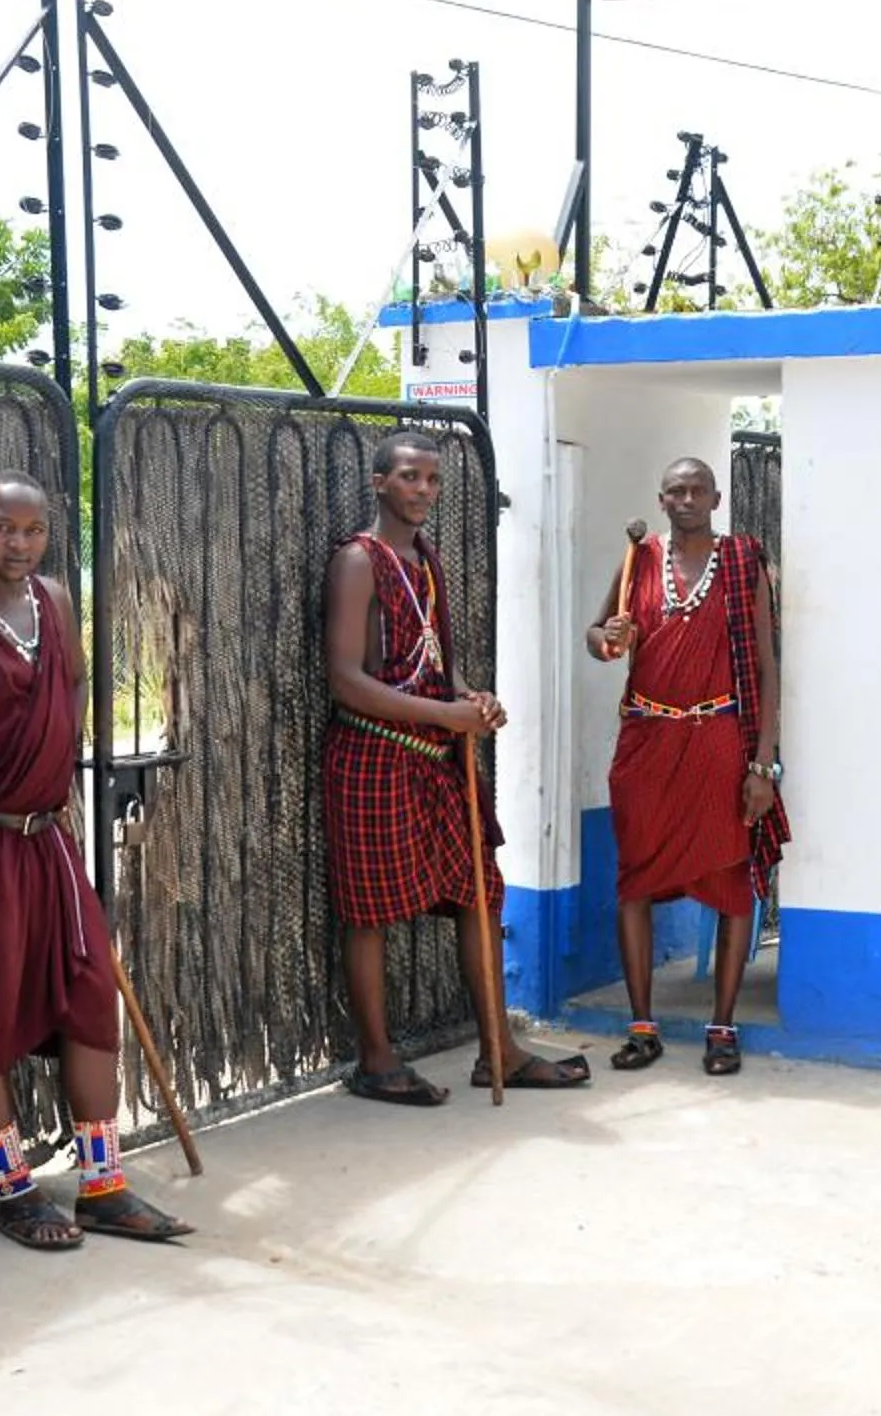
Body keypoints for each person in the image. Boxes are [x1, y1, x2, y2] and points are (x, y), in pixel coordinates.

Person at [0, 473, 189, 1249]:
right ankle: (15, 1189)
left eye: (31, 531)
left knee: (92, 998)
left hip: (46, 838)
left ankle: (103, 1183)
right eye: (1, 528)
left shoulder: (57, 603)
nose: (17, 544)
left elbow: (71, 688)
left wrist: (53, 773)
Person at [323, 430, 591, 1105]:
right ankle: (377, 1062)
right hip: (374, 754)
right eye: (409, 477)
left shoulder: (427, 561)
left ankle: (497, 1048)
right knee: (371, 911)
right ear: (379, 481)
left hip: (437, 760)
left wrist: (471, 698)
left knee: (480, 893)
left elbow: (435, 663)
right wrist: (443, 717)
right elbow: (344, 679)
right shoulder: (360, 561)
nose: (422, 491)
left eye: (432, 480)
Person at [584, 457, 788, 1075]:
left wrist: (763, 764)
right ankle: (642, 1025)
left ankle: (721, 1027)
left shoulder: (743, 560)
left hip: (719, 739)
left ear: (717, 497)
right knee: (635, 882)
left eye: (699, 489)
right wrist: (608, 638)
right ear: (662, 498)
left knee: (729, 883)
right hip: (647, 741)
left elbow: (766, 665)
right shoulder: (639, 559)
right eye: (677, 490)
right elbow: (598, 638)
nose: (688, 498)